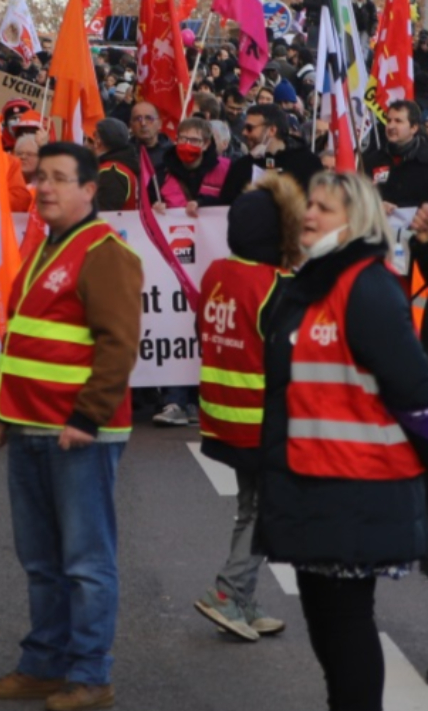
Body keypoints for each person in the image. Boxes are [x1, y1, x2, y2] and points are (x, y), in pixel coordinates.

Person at [0, 142, 143, 711]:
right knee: (42, 560)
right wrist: (2, 410)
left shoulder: (104, 253)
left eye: (58, 178)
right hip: (31, 424)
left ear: (89, 190)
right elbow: (24, 335)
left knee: (85, 563)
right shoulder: (50, 247)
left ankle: (91, 674)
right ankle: (43, 665)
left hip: (75, 432)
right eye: (40, 176)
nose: (43, 187)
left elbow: (118, 346)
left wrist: (86, 417)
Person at [258, 172, 428, 711]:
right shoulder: (311, 281)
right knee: (326, 624)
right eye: (310, 203)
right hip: (313, 482)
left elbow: (414, 390)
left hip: (357, 485)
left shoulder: (366, 286)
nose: (309, 214)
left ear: (356, 222)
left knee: (345, 623)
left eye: (325, 208)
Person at [192, 174, 303, 642]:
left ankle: (242, 600)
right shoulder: (280, 286)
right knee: (266, 511)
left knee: (250, 507)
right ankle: (227, 591)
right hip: (263, 419)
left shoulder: (217, 272)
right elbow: (295, 363)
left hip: (223, 414)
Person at [219, 104, 324, 205]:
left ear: (272, 130)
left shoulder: (308, 163)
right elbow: (226, 204)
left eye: (250, 128)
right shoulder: (242, 166)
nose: (244, 133)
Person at [362, 100, 428, 211]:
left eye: (398, 121)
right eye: (389, 121)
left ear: (414, 128)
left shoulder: (424, 160)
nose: (391, 126)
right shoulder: (371, 160)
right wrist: (375, 204)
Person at [159, 117, 230, 217]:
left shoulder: (226, 169)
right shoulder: (162, 171)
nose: (187, 145)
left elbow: (232, 201)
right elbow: (150, 201)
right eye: (182, 139)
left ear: (206, 144)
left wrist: (202, 202)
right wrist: (156, 206)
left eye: (194, 140)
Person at [92, 117, 139, 211]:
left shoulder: (111, 172)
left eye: (94, 137)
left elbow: (104, 211)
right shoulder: (123, 166)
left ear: (99, 141)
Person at [130, 101, 172, 190]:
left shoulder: (172, 154)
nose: (143, 123)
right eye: (137, 119)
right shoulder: (124, 155)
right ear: (131, 125)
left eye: (149, 118)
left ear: (159, 124)